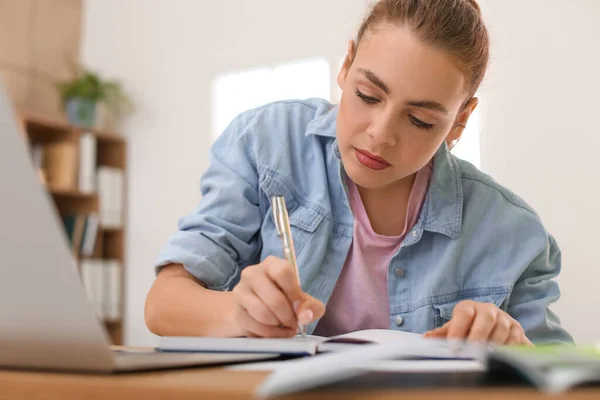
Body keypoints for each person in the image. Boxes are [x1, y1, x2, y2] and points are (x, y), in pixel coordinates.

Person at [145, 0, 573, 345]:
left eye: (420, 120)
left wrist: (517, 352)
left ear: (460, 120)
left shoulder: (511, 233)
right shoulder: (267, 144)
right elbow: (163, 304)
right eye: (368, 95)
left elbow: (563, 377)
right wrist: (238, 311)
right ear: (347, 65)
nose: (380, 134)